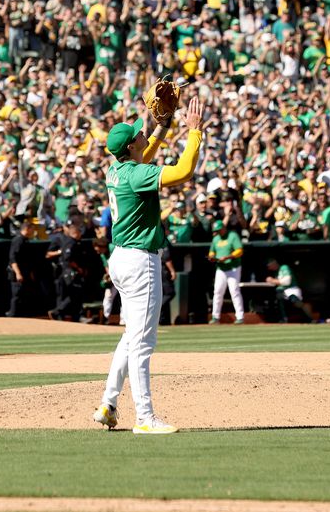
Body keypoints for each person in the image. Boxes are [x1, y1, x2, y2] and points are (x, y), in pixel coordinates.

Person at [94, 92, 204, 435]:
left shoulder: (117, 170)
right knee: (143, 343)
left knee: (131, 337)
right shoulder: (136, 175)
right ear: (130, 147)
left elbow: (144, 154)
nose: (144, 132)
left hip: (122, 259)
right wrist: (194, 131)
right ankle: (144, 418)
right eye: (139, 133)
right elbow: (184, 171)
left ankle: (108, 404)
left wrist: (162, 127)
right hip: (140, 261)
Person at [207, 219, 245, 324]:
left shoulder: (232, 235)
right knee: (217, 292)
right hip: (221, 268)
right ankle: (215, 317)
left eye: (219, 229)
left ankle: (240, 317)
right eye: (216, 230)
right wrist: (212, 257)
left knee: (234, 291)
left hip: (233, 267)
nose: (218, 232)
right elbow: (212, 251)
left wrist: (228, 256)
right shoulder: (216, 239)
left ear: (224, 227)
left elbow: (240, 250)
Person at [6, 217, 34, 317]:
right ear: (27, 229)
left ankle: (21, 317)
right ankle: (12, 316)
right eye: (32, 229)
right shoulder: (18, 240)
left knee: (23, 295)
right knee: (16, 295)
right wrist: (18, 273)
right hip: (16, 272)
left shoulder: (26, 240)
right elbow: (12, 258)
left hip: (24, 271)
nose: (33, 232)